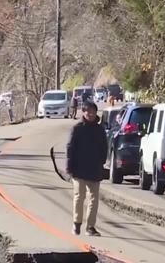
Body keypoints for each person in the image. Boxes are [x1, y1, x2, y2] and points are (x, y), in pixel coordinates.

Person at [66, 101, 108, 237]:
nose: (90, 114)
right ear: (83, 112)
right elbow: (70, 149)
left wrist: (101, 162)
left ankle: (90, 227)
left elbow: (104, 148)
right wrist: (69, 168)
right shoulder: (77, 128)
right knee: (79, 196)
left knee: (94, 199)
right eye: (88, 111)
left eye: (93, 111)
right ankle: (76, 224)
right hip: (78, 170)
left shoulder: (99, 129)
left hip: (95, 169)